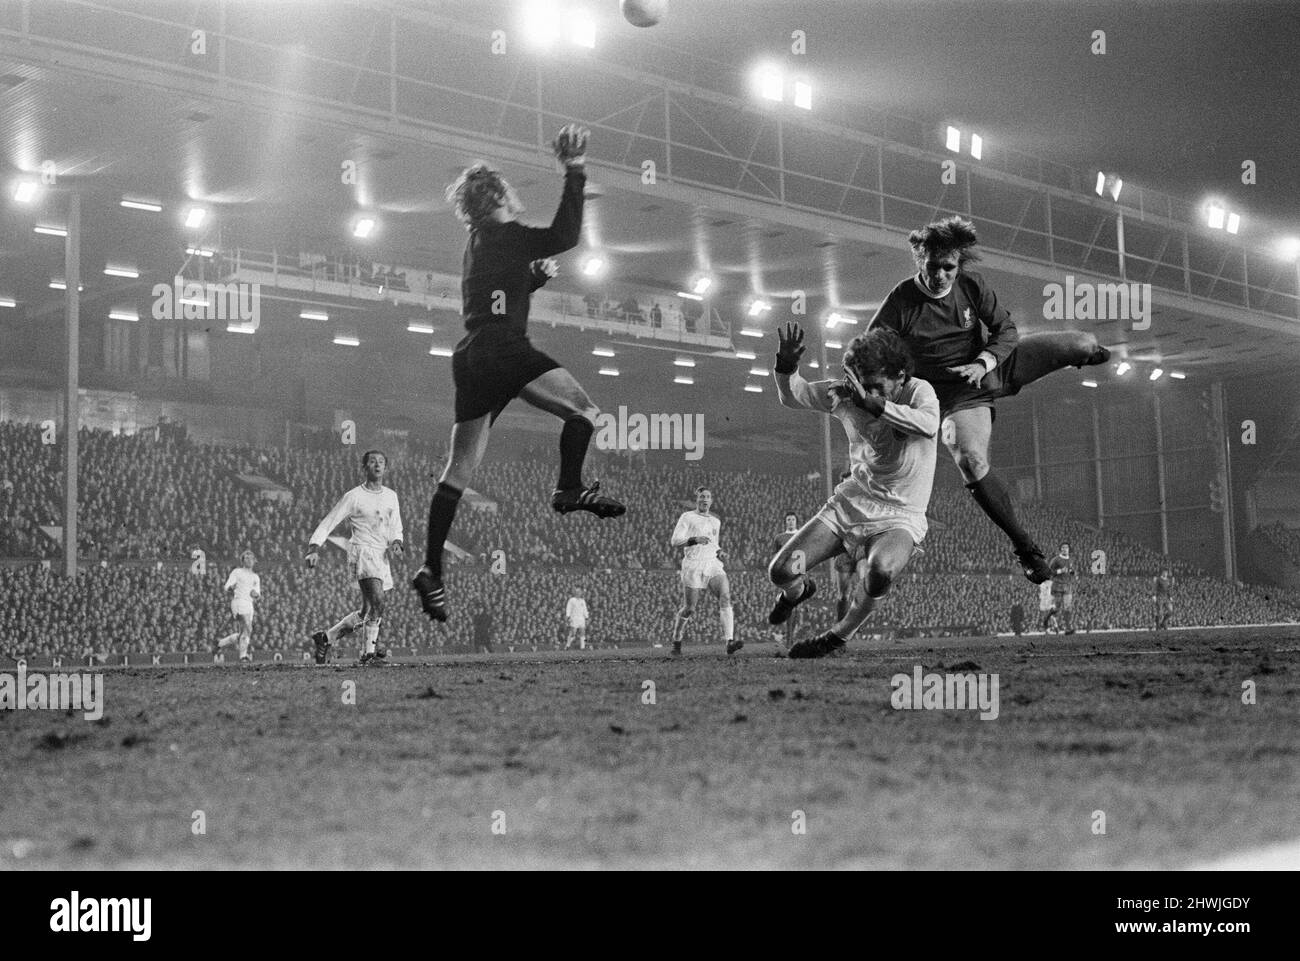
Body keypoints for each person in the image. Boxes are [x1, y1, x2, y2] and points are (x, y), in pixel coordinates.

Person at [413, 124, 626, 624]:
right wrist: (573, 171)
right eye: (507, 188)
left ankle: (430, 569)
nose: (514, 192)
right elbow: (565, 235)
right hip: (502, 349)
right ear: (497, 199)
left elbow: (493, 295)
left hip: (471, 355)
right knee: (584, 411)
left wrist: (528, 281)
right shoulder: (506, 234)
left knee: (458, 471)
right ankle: (568, 489)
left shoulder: (478, 243)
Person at [867, 215, 1110, 584]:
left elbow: (1006, 330)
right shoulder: (902, 301)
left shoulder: (971, 286)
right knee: (971, 459)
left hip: (986, 369)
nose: (940, 276)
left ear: (958, 264)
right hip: (943, 397)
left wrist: (983, 362)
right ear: (921, 262)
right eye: (933, 267)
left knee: (1083, 343)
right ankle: (1026, 548)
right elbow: (872, 352)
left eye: (948, 267)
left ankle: (1087, 353)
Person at [769, 323, 939, 658]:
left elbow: (929, 425)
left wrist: (871, 402)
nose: (867, 391)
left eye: (877, 386)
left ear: (900, 377)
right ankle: (797, 592)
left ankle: (836, 637)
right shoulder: (845, 392)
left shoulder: (919, 392)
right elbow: (794, 395)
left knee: (880, 572)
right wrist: (786, 366)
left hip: (899, 517)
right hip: (850, 505)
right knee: (782, 571)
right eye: (862, 384)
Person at [306, 449, 404, 666]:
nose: (377, 465)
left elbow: (396, 526)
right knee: (378, 602)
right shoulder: (354, 496)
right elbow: (330, 521)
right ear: (365, 467)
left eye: (381, 462)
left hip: (382, 554)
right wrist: (314, 547)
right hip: (362, 551)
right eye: (372, 461)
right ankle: (368, 655)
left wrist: (397, 543)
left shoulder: (391, 496)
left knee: (367, 610)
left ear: (385, 468)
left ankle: (326, 638)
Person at [669, 487, 738, 655]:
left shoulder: (716, 521)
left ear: (711, 501)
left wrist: (720, 551)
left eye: (707, 496)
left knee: (725, 596)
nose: (704, 499)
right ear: (697, 500)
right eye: (701, 497)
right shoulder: (687, 517)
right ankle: (677, 638)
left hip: (712, 563)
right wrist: (694, 540)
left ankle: (729, 641)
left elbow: (714, 542)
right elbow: (675, 541)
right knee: (689, 609)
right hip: (693, 565)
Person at [770, 511, 807, 657]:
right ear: (785, 522)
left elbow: (805, 554)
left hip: (798, 574)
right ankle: (790, 638)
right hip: (785, 575)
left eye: (792, 519)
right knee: (790, 606)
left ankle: (791, 638)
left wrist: (804, 573)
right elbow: (775, 559)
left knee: (796, 607)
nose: (790, 521)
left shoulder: (802, 535)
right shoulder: (780, 538)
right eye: (788, 519)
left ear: (796, 521)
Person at [216, 550, 260, 662]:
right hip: (239, 602)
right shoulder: (237, 572)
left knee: (244, 633)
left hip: (249, 604)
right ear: (243, 561)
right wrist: (231, 587)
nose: (249, 560)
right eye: (246, 558)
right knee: (248, 628)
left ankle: (220, 644)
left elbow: (257, 594)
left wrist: (256, 595)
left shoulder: (256, 577)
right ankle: (243, 657)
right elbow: (227, 586)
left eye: (251, 558)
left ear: (254, 561)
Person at [1048, 542, 1077, 634]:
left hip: (1067, 586)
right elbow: (1049, 572)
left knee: (1068, 607)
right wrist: (1060, 571)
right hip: (1057, 586)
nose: (1065, 549)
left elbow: (1071, 572)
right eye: (1063, 547)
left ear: (1069, 549)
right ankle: (1053, 622)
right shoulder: (1056, 560)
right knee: (1057, 608)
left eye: (1066, 547)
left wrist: (1072, 573)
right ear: (1060, 549)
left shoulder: (1071, 560)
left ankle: (1068, 628)